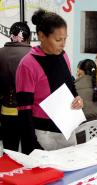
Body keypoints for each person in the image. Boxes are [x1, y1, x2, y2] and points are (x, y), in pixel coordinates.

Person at [16, 9, 83, 154]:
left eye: (65, 39)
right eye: (58, 40)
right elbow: (24, 110)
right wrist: (31, 145)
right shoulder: (28, 64)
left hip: (67, 130)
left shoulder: (63, 56)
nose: (63, 44)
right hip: (43, 136)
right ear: (41, 36)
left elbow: (70, 86)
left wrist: (77, 98)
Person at [0, 22, 31, 151]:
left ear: (10, 36)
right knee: (28, 153)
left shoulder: (0, 53)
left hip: (6, 110)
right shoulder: (33, 54)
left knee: (9, 151)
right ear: (28, 38)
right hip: (29, 113)